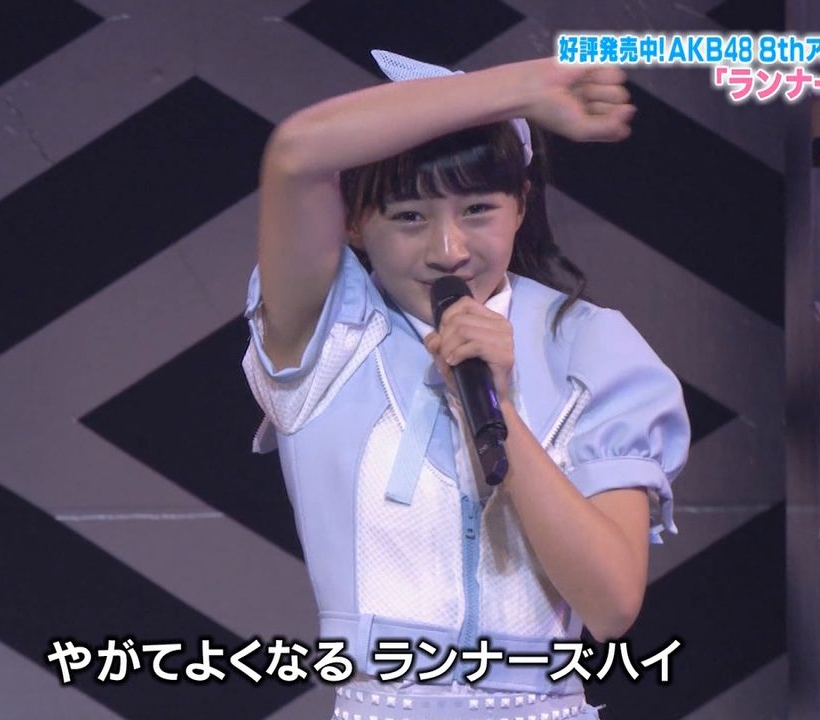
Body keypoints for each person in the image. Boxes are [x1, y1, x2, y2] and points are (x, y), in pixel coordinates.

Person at [241, 49, 690, 719]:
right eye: (409, 217)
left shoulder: (590, 344)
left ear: (521, 205)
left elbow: (611, 606)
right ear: (355, 222)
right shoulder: (326, 336)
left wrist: (500, 405)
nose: (448, 250)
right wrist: (524, 88)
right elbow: (295, 153)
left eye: (478, 208)